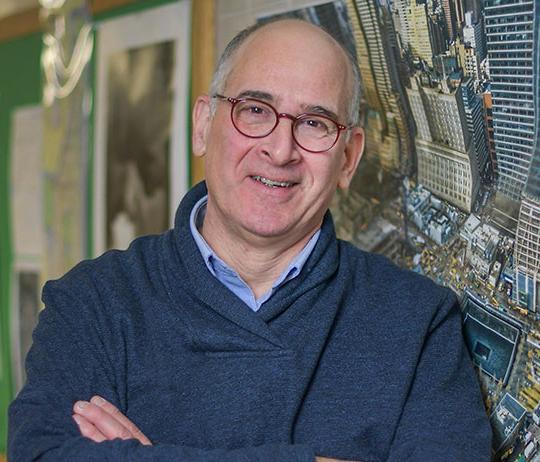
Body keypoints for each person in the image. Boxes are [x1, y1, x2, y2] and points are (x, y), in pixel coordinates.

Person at [8, 18, 492, 461]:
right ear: (203, 126)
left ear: (348, 159)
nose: (280, 150)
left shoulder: (416, 321)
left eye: (315, 123)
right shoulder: (92, 301)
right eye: (256, 111)